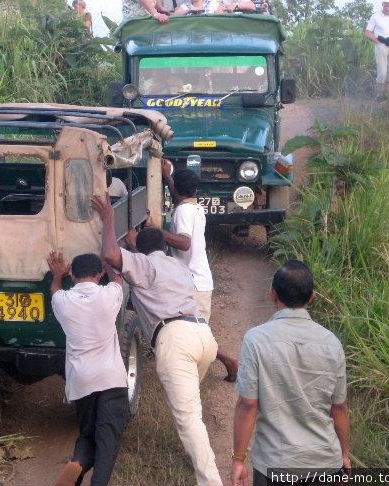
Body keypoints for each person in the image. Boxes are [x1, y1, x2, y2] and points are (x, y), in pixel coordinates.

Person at [91, 192, 223, 486]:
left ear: (138, 248)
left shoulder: (145, 266)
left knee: (189, 420)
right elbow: (126, 267)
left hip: (176, 341)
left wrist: (109, 220)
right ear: (164, 246)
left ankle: (212, 482)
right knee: (191, 408)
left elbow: (113, 256)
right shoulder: (178, 266)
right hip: (203, 336)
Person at [230, 260, 350, 486]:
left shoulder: (256, 340)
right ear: (312, 296)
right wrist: (344, 455)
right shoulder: (331, 343)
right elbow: (339, 407)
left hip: (276, 464)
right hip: (325, 463)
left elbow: (247, 404)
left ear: (273, 294)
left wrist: (238, 459)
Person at [48, 252, 129, 486]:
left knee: (88, 435)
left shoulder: (63, 301)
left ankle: (78, 462)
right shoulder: (108, 295)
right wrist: (110, 265)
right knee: (108, 439)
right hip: (111, 378)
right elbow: (119, 281)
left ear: (72, 274)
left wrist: (56, 276)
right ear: (99, 274)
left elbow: (55, 290)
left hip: (81, 382)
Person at [158, 163, 239, 382]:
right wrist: (168, 176)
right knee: (197, 333)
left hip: (194, 283)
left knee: (198, 335)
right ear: (196, 190)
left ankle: (229, 362)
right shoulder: (193, 206)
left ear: (175, 191)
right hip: (197, 280)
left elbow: (184, 243)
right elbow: (179, 199)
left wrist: (159, 232)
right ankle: (228, 362)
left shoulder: (184, 210)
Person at [365, 1, 389, 102]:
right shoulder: (375, 16)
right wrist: (378, 42)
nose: (387, 8)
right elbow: (368, 32)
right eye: (385, 5)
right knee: (382, 72)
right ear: (382, 5)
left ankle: (387, 95)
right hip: (381, 44)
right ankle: (379, 95)